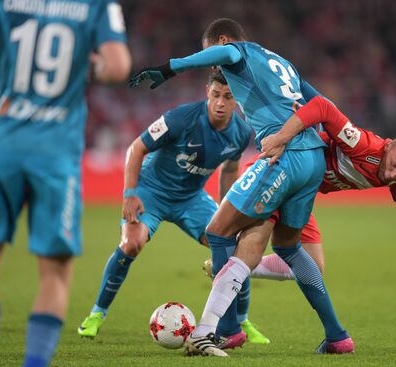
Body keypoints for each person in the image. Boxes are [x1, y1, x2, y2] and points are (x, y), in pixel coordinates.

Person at [129, 18, 352, 356]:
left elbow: (219, 56)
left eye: (212, 54)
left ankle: (227, 330)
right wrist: (341, 138)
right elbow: (321, 103)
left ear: (221, 41)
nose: (214, 63)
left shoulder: (239, 52)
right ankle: (338, 336)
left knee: (218, 232)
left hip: (283, 157)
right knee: (290, 249)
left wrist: (170, 68)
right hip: (312, 159)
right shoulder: (282, 64)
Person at [0, 1, 131, 366]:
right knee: (55, 270)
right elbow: (117, 67)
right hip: (55, 151)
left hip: (0, 139)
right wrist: (82, 63)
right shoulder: (97, 4)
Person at [77, 71, 270, 346]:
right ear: (207, 92)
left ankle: (241, 322)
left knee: (235, 248)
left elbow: (230, 168)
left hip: (191, 199)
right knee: (131, 244)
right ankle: (97, 313)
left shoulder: (239, 133)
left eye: (228, 97)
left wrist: (230, 213)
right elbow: (135, 149)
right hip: (150, 192)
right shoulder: (180, 118)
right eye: (216, 95)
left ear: (236, 99)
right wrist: (130, 193)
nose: (220, 103)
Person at [256, 95, 396, 308]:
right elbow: (322, 107)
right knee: (249, 240)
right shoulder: (362, 144)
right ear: (388, 146)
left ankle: (244, 268)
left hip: (301, 193)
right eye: (393, 165)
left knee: (312, 266)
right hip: (282, 170)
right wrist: (280, 138)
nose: (392, 175)